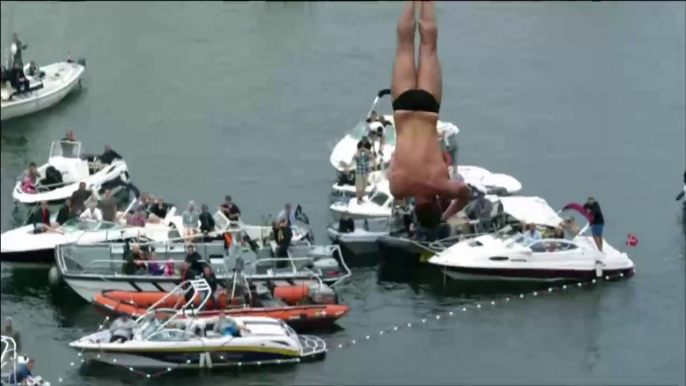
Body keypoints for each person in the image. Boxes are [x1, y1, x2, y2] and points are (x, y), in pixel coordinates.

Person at [387, 1, 471, 231]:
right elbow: (393, 160)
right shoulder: (398, 188)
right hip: (403, 110)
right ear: (416, 209)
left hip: (427, 110)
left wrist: (447, 214)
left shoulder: (442, 184)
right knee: (404, 44)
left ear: (436, 203)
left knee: (429, 44)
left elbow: (465, 194)